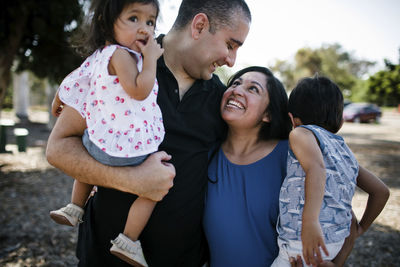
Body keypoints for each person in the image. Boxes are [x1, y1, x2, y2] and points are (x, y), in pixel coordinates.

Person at [46, 0, 252, 266]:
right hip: (103, 257)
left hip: (183, 260)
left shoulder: (221, 99)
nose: (231, 59)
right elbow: (57, 149)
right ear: (199, 26)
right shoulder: (122, 64)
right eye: (230, 45)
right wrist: (132, 180)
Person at [49, 0, 164, 266]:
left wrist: (58, 99)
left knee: (89, 153)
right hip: (129, 149)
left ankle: (75, 206)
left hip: (99, 143)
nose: (145, 29)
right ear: (106, 23)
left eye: (150, 22)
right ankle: (128, 240)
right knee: (155, 187)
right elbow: (139, 90)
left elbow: (76, 78)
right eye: (134, 19)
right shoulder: (123, 55)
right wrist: (150, 61)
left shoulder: (100, 55)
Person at [271, 76, 390, 266]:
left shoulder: (300, 132)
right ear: (340, 122)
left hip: (303, 241)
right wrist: (360, 229)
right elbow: (381, 191)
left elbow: (316, 168)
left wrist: (310, 222)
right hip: (335, 243)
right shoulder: (345, 152)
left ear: (293, 119)